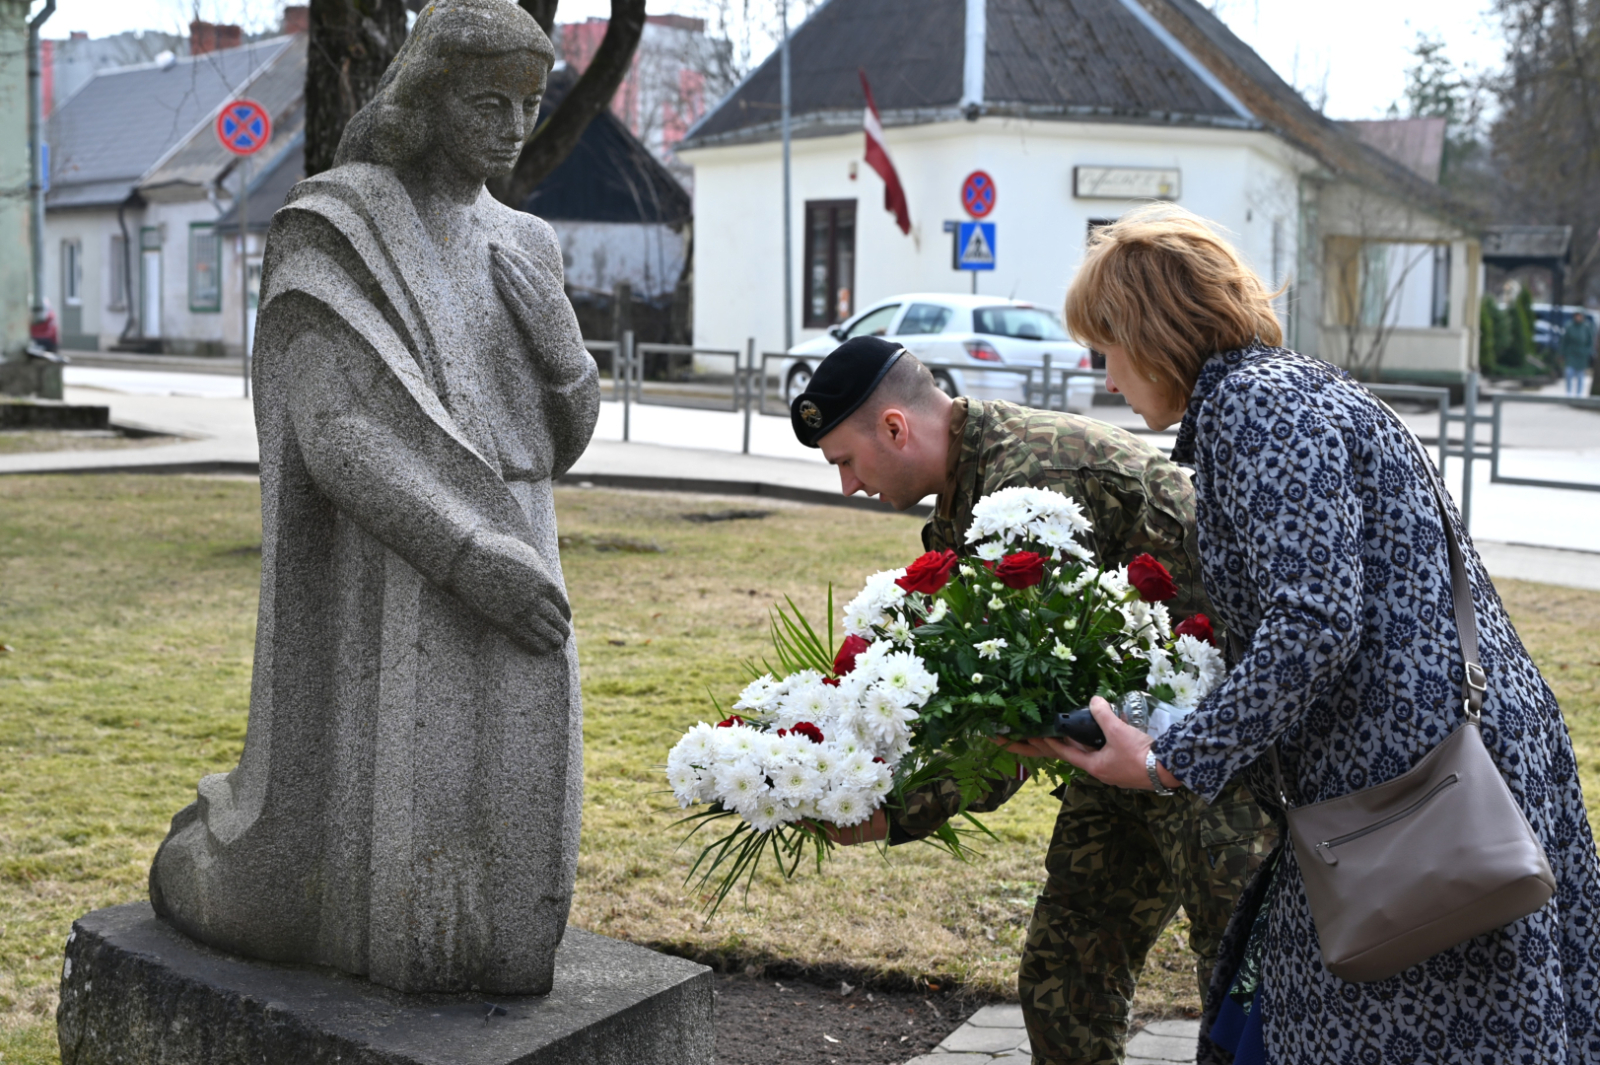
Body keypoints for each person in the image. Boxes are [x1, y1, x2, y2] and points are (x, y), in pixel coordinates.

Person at [1028, 203, 1600, 1063]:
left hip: (1408, 800)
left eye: (1105, 346)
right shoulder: (1296, 387)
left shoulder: (1253, 409)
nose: (1105, 374)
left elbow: (1312, 620)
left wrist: (1168, 759)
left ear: (1152, 331)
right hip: (1442, 771)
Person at [150, 0, 599, 995]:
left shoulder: (527, 243)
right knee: (411, 858)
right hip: (401, 572)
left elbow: (562, 443)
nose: (513, 128)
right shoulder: (340, 220)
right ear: (427, 96)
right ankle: (361, 919)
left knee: (525, 890)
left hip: (528, 544)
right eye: (489, 101)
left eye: (530, 104)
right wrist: (461, 552)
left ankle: (501, 939)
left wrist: (566, 357)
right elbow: (334, 429)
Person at [790, 336, 1276, 1065]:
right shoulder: (973, 489)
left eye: (846, 461)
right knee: (1065, 970)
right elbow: (1012, 701)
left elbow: (1011, 710)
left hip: (1218, 747)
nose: (848, 487)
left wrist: (894, 810)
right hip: (1118, 735)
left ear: (895, 427)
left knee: (1242, 988)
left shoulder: (1026, 480)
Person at [1559, 310, 1595, 396]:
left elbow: (1590, 342)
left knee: (1580, 375)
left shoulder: (1586, 327)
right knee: (1569, 372)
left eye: (1580, 316)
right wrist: (1562, 353)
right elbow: (1564, 341)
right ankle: (1569, 392)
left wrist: (1588, 352)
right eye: (1577, 316)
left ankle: (1579, 394)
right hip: (1571, 353)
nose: (1578, 317)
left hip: (1582, 355)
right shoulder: (1569, 326)